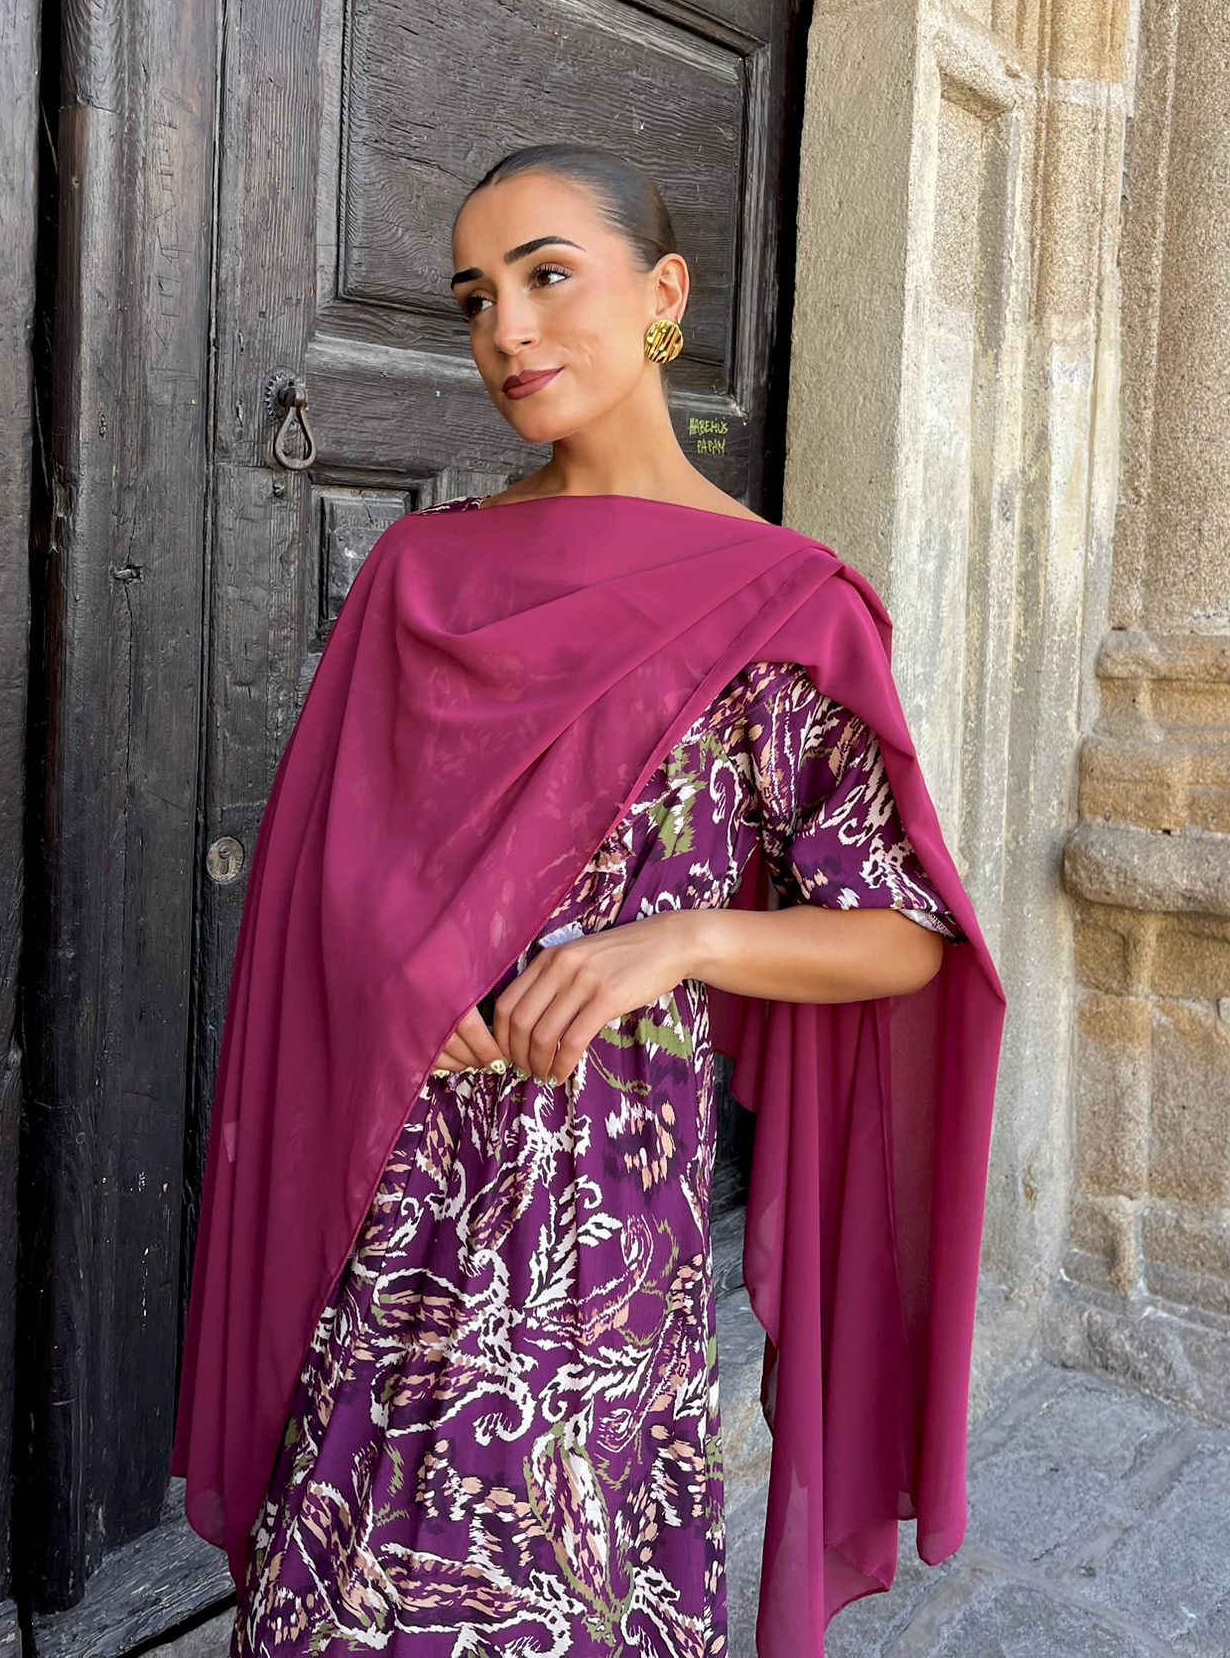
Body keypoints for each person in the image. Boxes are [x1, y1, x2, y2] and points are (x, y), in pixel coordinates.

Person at [173, 144, 1006, 1657]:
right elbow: (322, 881)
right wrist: (401, 974)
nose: (508, 329)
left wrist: (676, 942)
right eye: (475, 297)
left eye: (549, 275)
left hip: (609, 1229)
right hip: (396, 1189)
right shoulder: (423, 577)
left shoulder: (785, 605)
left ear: (663, 291)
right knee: (340, 1600)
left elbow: (902, 935)